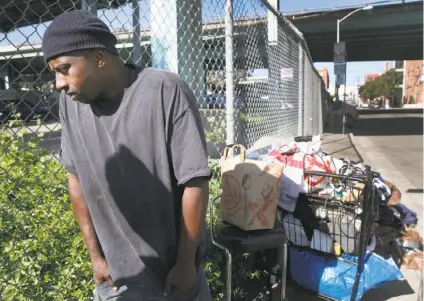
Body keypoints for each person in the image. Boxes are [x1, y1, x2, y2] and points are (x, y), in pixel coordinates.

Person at [41, 10, 212, 301]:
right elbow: (76, 178)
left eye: (64, 69)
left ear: (99, 58)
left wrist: (185, 264)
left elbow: (194, 181)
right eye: (55, 73)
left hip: (174, 279)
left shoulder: (164, 90)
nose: (59, 83)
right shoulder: (69, 104)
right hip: (116, 280)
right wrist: (95, 257)